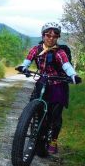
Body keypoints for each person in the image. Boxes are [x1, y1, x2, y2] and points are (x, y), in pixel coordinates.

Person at [16, 22, 81, 154]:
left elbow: (66, 65)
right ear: (43, 35)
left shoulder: (60, 52)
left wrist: (73, 75)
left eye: (55, 36)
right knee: (33, 106)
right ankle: (29, 124)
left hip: (58, 83)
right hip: (43, 81)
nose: (51, 38)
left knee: (55, 115)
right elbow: (27, 60)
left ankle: (53, 140)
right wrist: (23, 67)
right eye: (48, 35)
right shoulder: (36, 49)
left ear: (58, 37)